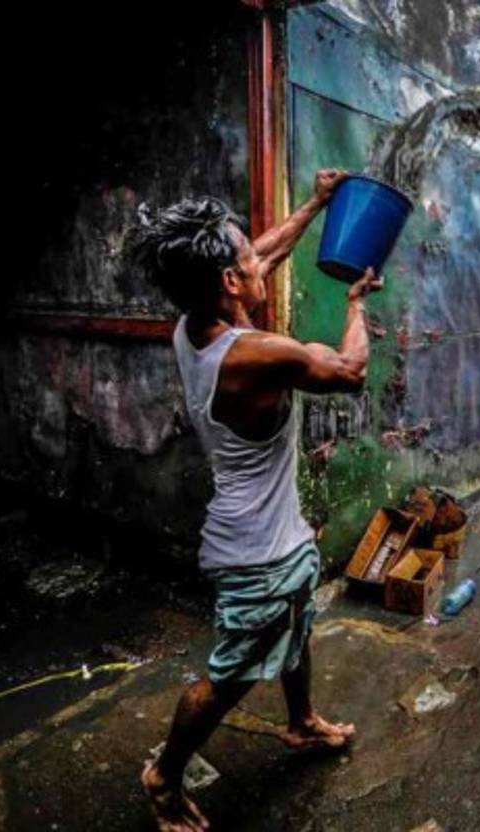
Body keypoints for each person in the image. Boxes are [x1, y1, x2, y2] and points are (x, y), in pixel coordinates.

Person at [130, 169, 380, 831]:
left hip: (276, 531)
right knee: (229, 679)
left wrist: (316, 204)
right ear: (229, 284)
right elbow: (350, 372)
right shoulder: (254, 354)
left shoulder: (191, 325)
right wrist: (357, 308)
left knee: (297, 624)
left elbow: (267, 251)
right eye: (245, 260)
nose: (259, 256)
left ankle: (300, 722)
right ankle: (164, 773)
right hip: (253, 551)